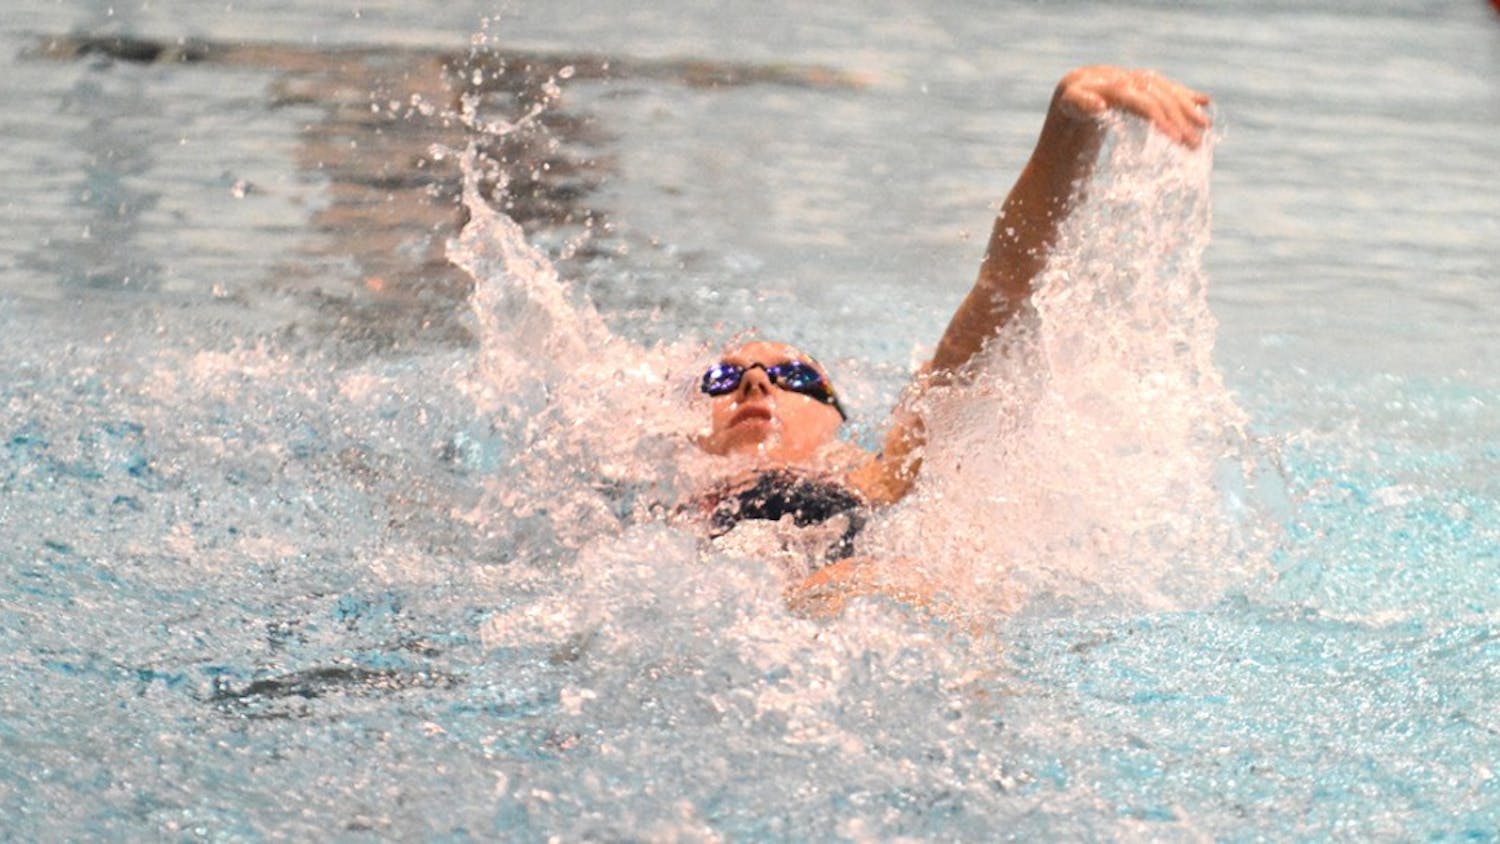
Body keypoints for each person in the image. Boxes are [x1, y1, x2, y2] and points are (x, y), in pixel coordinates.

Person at [689, 66, 1211, 612]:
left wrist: (1068, 126)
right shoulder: (647, 486)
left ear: (837, 423)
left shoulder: (874, 476)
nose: (752, 383)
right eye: (721, 378)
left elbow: (1002, 290)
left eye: (793, 376)